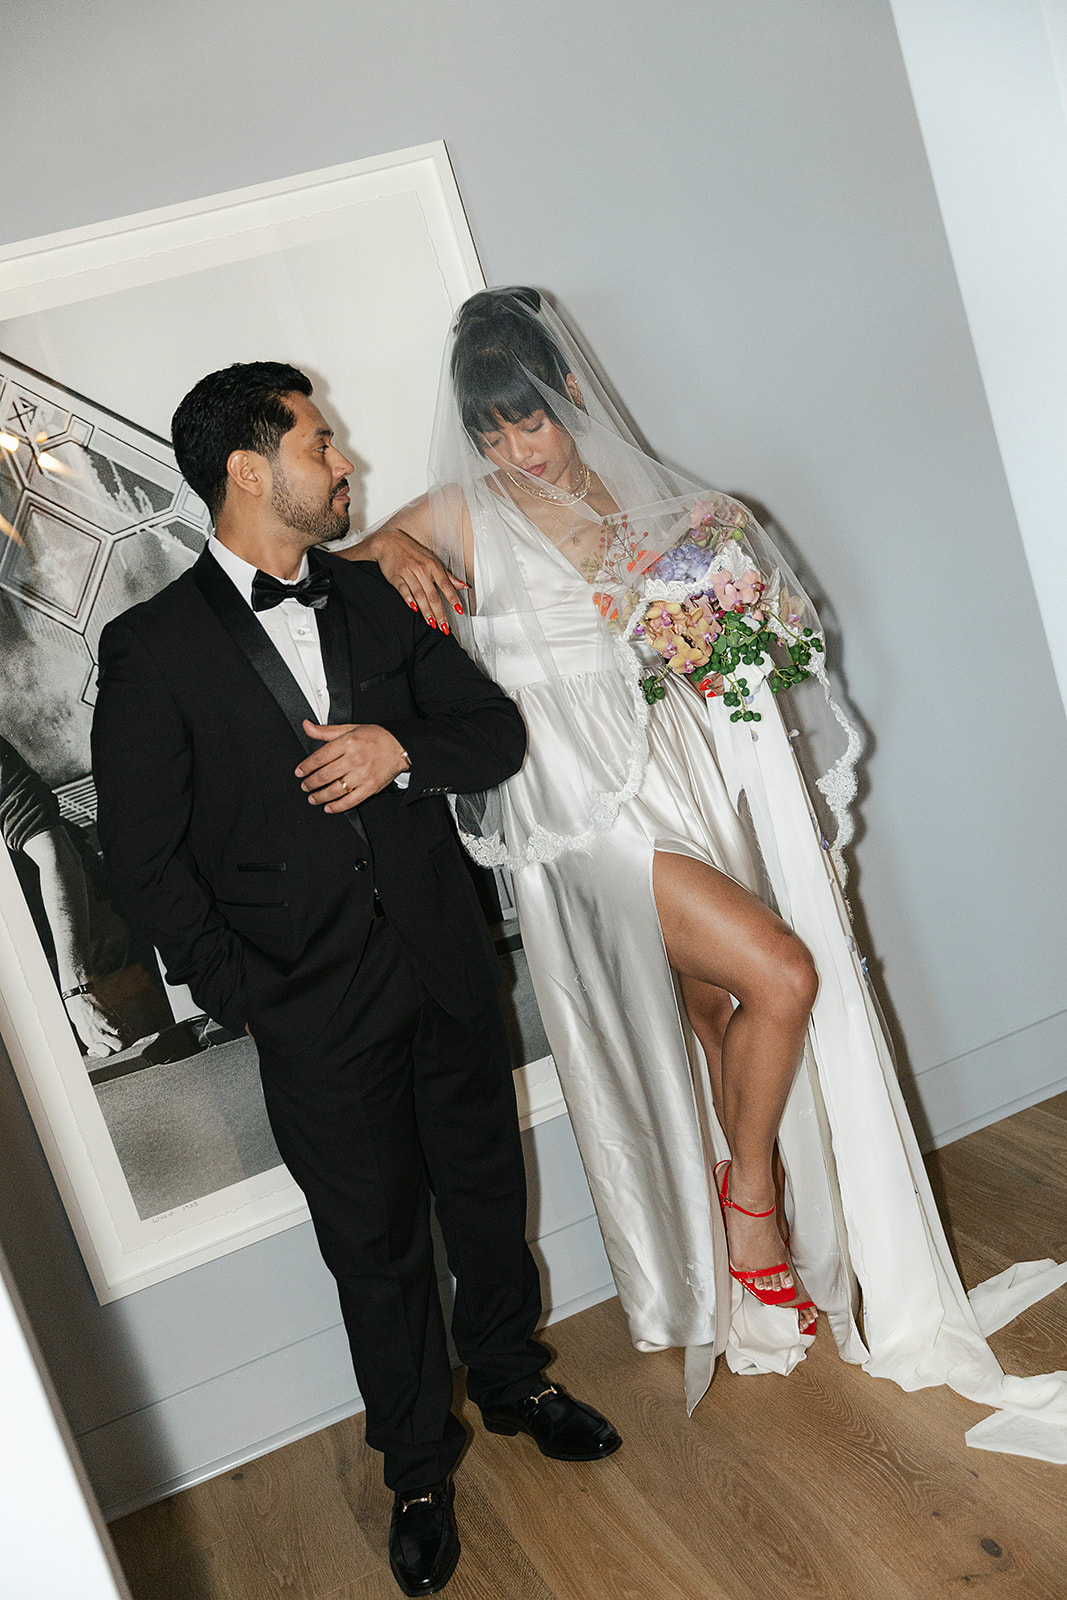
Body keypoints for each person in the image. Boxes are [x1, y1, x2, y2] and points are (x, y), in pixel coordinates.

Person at [344, 288, 1067, 1462]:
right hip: (576, 812)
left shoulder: (638, 491)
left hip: (677, 773)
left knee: (729, 1007)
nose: (512, 447)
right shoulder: (458, 513)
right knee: (780, 973)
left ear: (566, 392)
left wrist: (732, 606)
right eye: (489, 429)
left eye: (526, 420)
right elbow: (353, 570)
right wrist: (397, 555)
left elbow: (741, 623)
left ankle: (752, 1267)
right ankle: (750, 1220)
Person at [91, 360, 621, 1599]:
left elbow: (489, 730)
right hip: (306, 1007)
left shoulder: (376, 595)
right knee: (373, 1245)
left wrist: (398, 749)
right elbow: (143, 860)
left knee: (484, 1193)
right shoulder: (150, 647)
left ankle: (508, 1377)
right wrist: (251, 991)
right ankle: (418, 1470)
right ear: (247, 469)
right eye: (322, 446)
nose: (346, 468)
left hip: (444, 966)